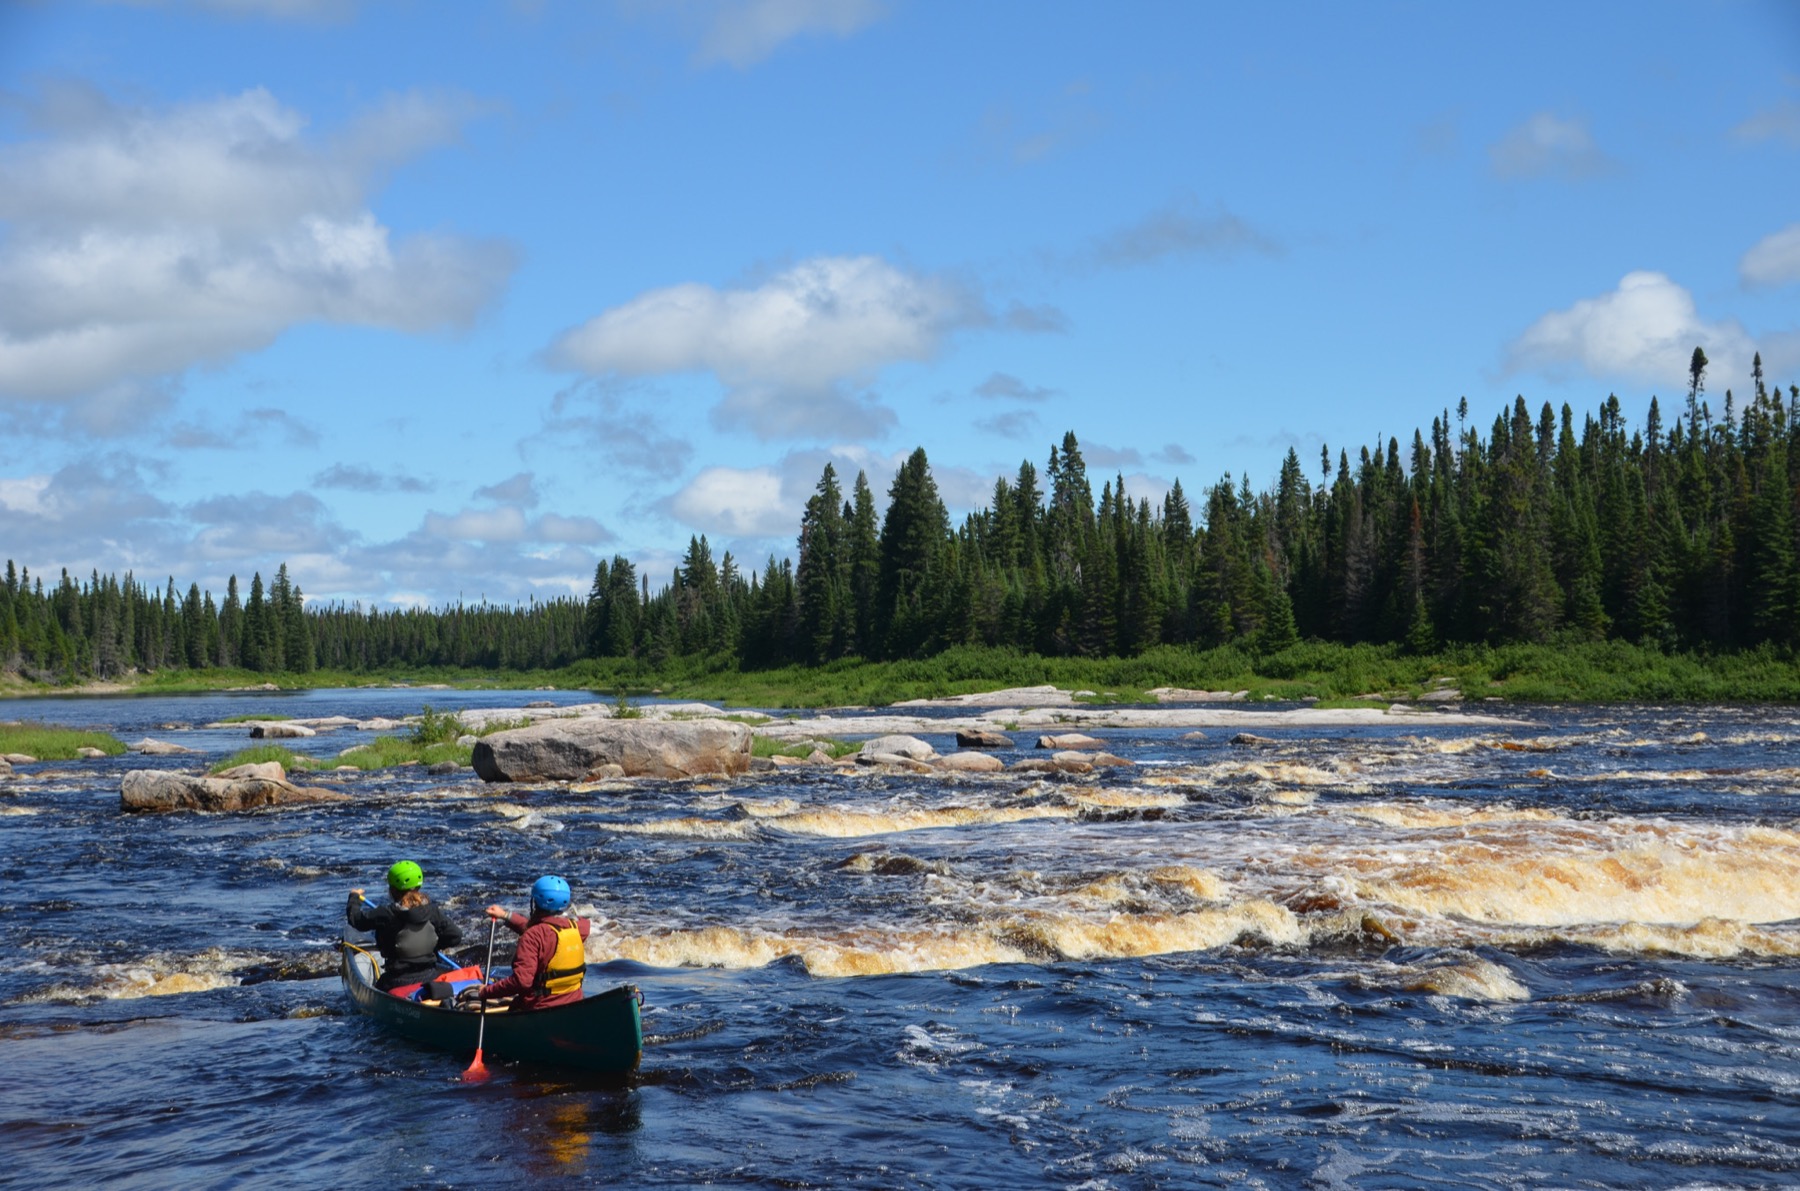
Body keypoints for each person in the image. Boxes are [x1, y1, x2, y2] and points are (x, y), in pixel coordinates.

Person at [465, 875, 590, 1010]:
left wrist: (486, 991)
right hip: (574, 1003)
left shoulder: (532, 937)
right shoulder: (579, 928)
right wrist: (505, 915)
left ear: (534, 902)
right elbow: (548, 931)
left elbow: (522, 982)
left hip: (540, 1007)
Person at [346, 860, 465, 992]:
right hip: (429, 975)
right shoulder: (432, 912)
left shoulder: (385, 914)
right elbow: (455, 936)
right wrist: (432, 946)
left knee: (378, 987)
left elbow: (356, 920)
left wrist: (354, 898)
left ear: (392, 890)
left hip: (395, 980)